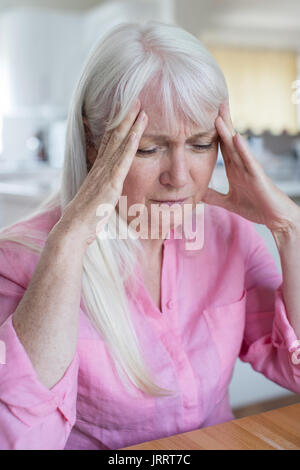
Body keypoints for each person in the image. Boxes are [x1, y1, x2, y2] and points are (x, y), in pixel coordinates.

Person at [0, 20, 300, 451]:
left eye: (200, 144)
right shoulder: (18, 261)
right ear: (91, 141)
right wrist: (67, 246)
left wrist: (290, 227)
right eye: (148, 148)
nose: (179, 178)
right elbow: (20, 441)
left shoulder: (227, 233)